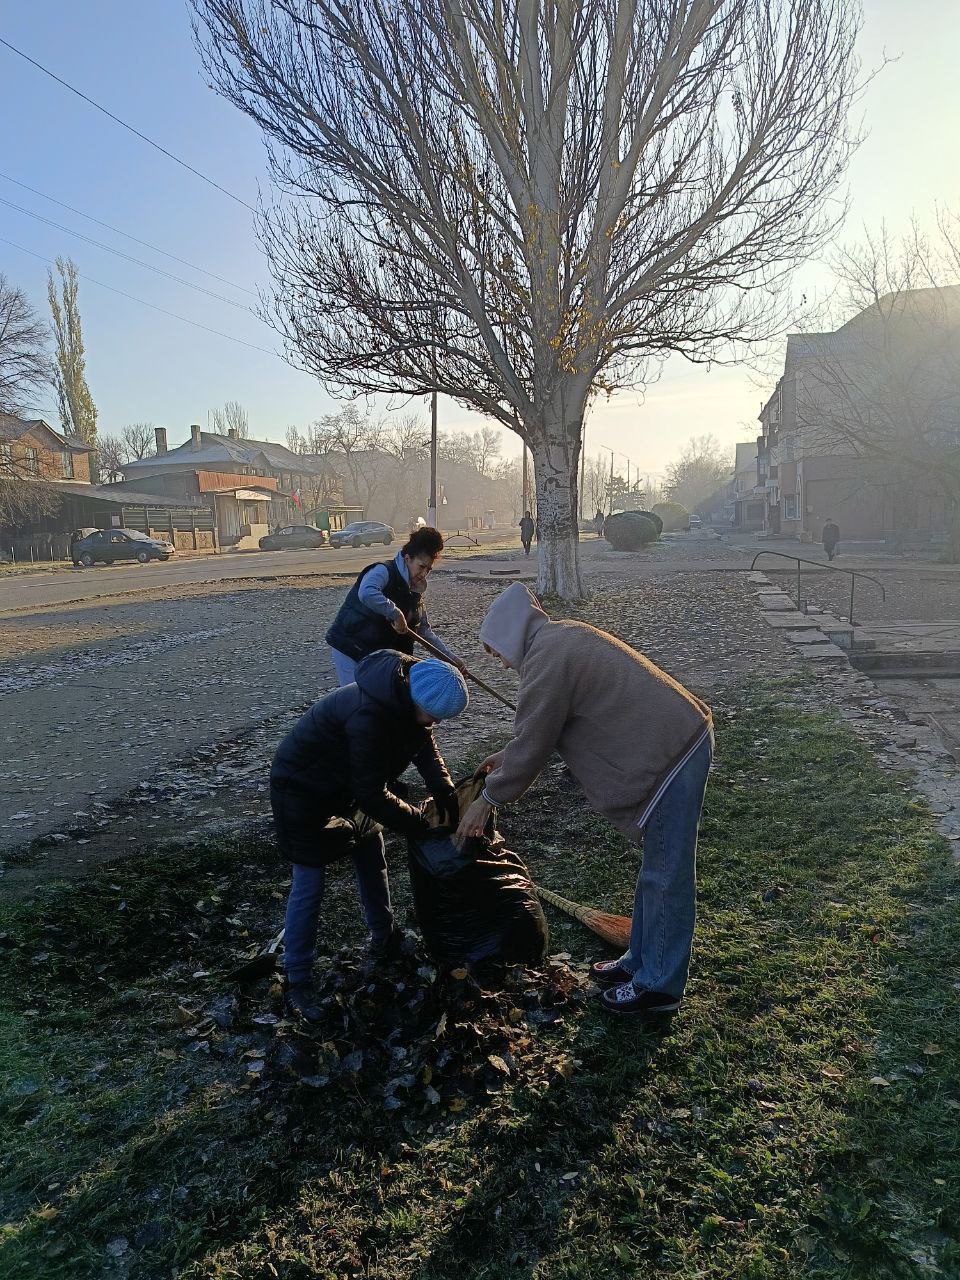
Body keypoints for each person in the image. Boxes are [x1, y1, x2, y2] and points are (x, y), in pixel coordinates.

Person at [456, 583, 713, 1017]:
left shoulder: (546, 659)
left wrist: (487, 799)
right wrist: (507, 756)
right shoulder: (558, 637)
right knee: (656, 869)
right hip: (675, 742)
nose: (498, 662)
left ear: (510, 635)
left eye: (494, 650)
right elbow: (545, 729)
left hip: (670, 753)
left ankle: (658, 988)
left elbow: (534, 744)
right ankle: (639, 961)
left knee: (668, 874)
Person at [271, 652, 469, 1020]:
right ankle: (297, 979)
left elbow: (422, 741)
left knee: (371, 853)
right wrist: (418, 823)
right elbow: (372, 795)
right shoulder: (369, 714)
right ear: (411, 693)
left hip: (347, 787)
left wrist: (443, 788)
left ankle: (384, 937)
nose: (435, 723)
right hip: (302, 791)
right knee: (309, 883)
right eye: (433, 715)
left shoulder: (409, 694)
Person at [325, 526, 465, 685]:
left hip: (378, 655)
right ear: (407, 559)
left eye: (428, 569)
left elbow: (424, 631)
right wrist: (396, 614)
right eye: (421, 566)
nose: (424, 573)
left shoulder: (416, 591)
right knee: (356, 698)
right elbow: (366, 593)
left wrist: (450, 658)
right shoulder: (383, 571)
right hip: (350, 645)